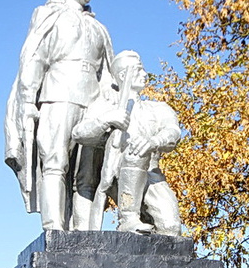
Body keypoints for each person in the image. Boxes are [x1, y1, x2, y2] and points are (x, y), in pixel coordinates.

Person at [4, 0, 114, 230]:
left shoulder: (98, 27)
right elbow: (34, 58)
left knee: (87, 172)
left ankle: (85, 233)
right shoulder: (48, 15)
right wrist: (28, 101)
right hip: (58, 94)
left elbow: (108, 73)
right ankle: (54, 229)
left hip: (93, 102)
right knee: (55, 162)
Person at [72, 50, 182, 235]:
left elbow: (173, 132)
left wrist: (153, 141)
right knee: (134, 152)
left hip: (151, 175)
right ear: (124, 75)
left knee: (171, 228)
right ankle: (128, 218)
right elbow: (80, 133)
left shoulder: (158, 108)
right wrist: (106, 120)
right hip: (118, 175)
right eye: (139, 70)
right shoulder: (105, 106)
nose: (145, 75)